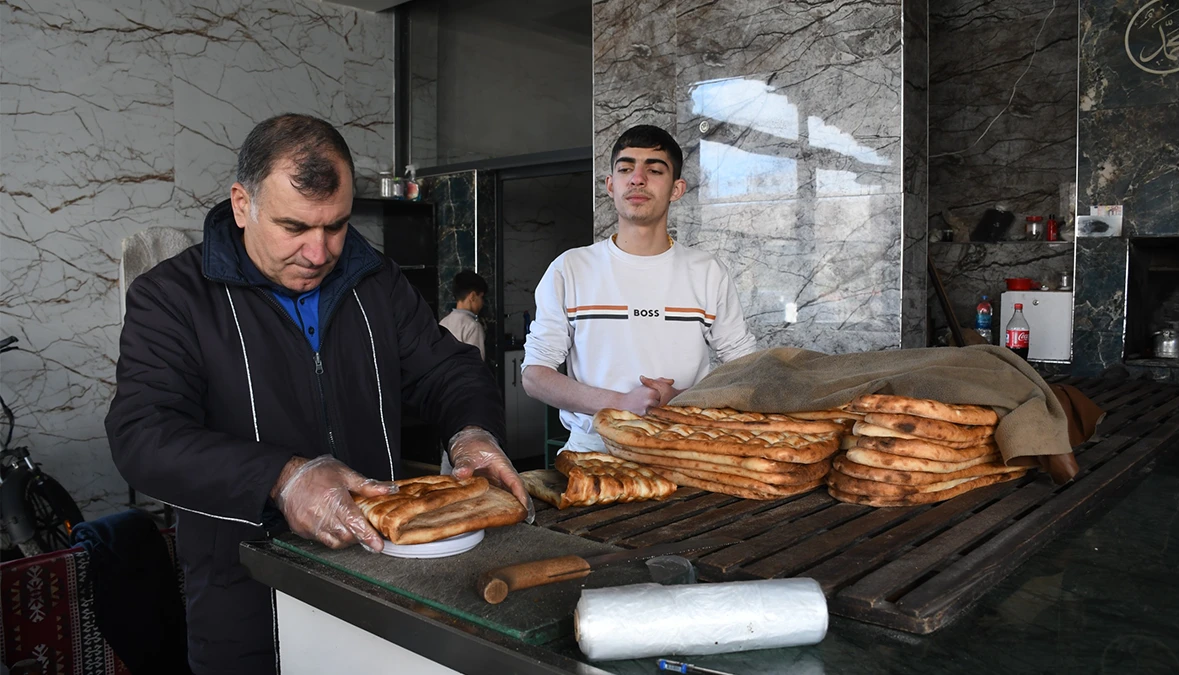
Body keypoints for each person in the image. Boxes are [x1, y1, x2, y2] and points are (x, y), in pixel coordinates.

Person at [105, 114, 531, 675]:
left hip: (383, 574)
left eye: (336, 226)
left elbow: (445, 368)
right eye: (294, 227)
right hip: (244, 591)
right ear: (241, 204)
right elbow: (142, 435)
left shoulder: (373, 280)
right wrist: (283, 477)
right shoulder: (173, 298)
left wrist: (472, 432)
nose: (318, 251)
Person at [521, 124, 757, 452]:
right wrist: (620, 402)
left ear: (677, 189)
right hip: (593, 453)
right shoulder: (571, 269)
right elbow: (535, 376)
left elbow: (749, 371)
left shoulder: (707, 272)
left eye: (654, 169)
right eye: (626, 168)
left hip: (686, 451)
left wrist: (683, 402)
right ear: (610, 184)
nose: (637, 178)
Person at [440, 270, 488, 359]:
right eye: (481, 297)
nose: (482, 303)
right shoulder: (473, 326)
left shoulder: (443, 322)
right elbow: (476, 364)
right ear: (473, 296)